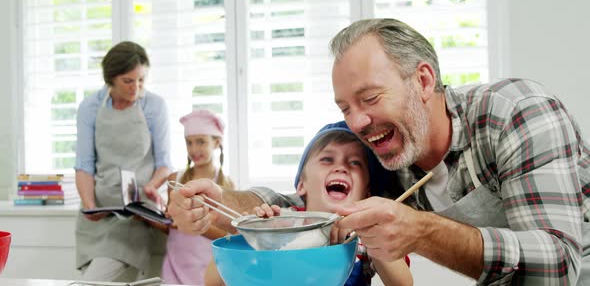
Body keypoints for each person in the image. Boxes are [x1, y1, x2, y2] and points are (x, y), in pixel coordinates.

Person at [168, 18, 590, 285]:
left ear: (423, 81)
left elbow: (556, 267)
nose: (356, 123)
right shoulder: (391, 157)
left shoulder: (515, 112)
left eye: (369, 98)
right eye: (345, 108)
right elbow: (300, 208)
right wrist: (221, 205)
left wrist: (422, 230)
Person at [203, 122, 412, 286]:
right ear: (302, 184)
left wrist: (369, 229)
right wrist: (254, 235)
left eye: (355, 163)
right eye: (327, 160)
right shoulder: (282, 224)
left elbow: (403, 284)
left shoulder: (365, 235)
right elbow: (212, 282)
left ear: (367, 191)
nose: (341, 167)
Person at [74, 41, 172, 281]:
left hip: (134, 216)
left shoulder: (154, 106)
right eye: (128, 81)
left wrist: (151, 187)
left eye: (141, 80)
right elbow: (84, 165)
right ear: (111, 79)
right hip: (97, 216)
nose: (136, 88)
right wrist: (88, 205)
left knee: (90, 284)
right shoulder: (90, 107)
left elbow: (164, 163)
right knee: (90, 281)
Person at [161, 109, 235, 286]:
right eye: (189, 143)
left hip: (206, 263)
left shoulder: (225, 184)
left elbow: (228, 234)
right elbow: (170, 225)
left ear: (216, 142)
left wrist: (193, 224)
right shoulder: (174, 179)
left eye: (201, 142)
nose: (194, 149)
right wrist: (149, 217)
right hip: (175, 262)